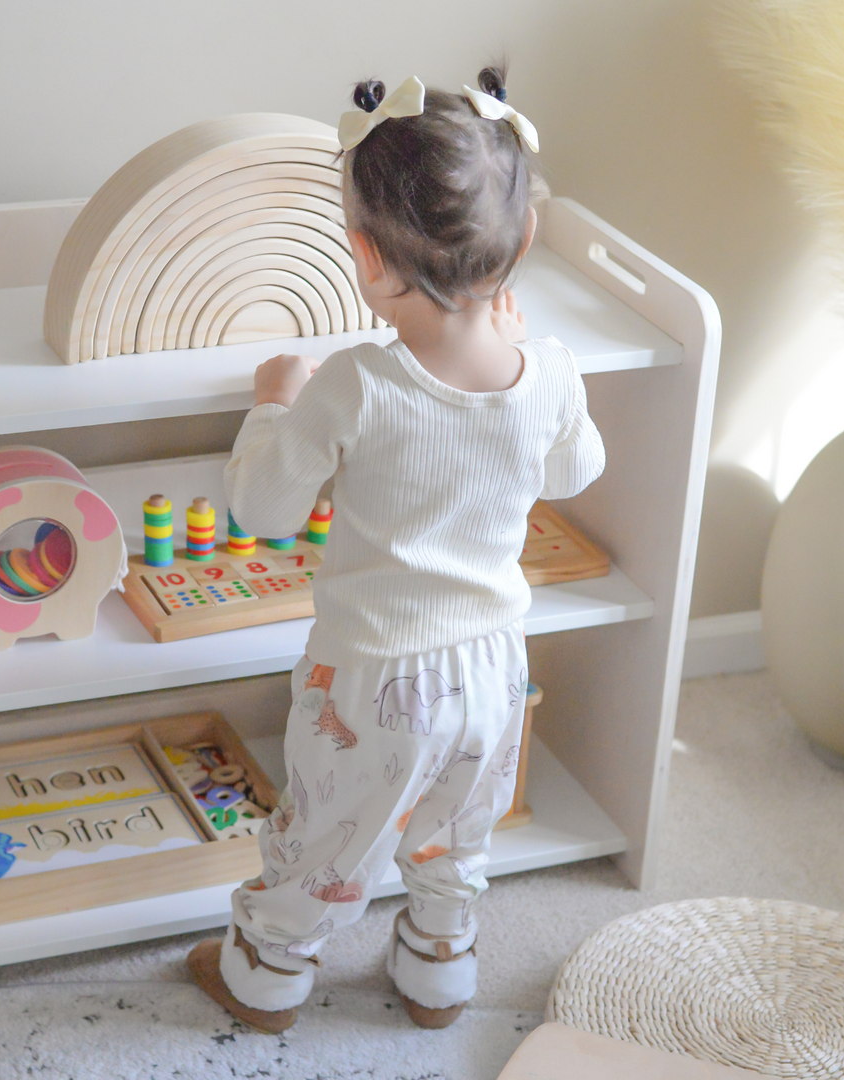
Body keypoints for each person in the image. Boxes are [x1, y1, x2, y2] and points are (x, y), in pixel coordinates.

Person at [187, 66, 605, 1034]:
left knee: (326, 840)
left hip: (371, 682)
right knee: (457, 837)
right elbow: (574, 471)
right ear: (525, 239)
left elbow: (264, 505)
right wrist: (536, 366)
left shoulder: (357, 386)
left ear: (366, 259)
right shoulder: (548, 373)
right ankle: (437, 973)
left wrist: (271, 401)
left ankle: (268, 976)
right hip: (496, 671)